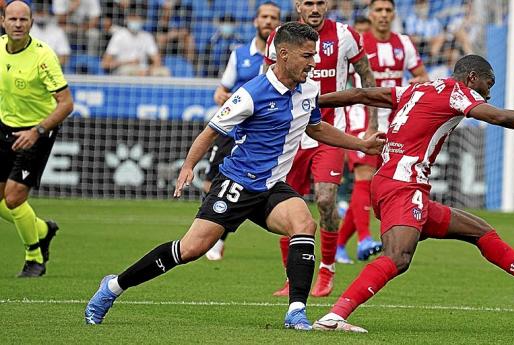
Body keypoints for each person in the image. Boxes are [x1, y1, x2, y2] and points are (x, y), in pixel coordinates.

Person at [83, 22, 386, 330]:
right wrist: (188, 166)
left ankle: (296, 312)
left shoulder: (308, 89)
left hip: (271, 188)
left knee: (304, 224)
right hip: (236, 184)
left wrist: (360, 143)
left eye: (314, 55)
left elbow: (316, 127)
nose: (314, 63)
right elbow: (211, 131)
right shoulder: (251, 94)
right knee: (190, 250)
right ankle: (112, 287)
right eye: (307, 56)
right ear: (284, 54)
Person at [310, 54, 514, 333]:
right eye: (488, 85)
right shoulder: (456, 92)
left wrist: (315, 100)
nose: (487, 95)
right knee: (398, 257)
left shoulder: (416, 89)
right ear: (473, 77)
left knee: (481, 232)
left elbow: (362, 94)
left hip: (392, 184)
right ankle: (336, 316)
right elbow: (501, 118)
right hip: (403, 185)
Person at [263, 0, 378, 298]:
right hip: (290, 135)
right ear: (297, 5)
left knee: (326, 199)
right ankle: (292, 277)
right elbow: (267, 82)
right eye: (308, 3)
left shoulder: (345, 35)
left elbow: (366, 75)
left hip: (327, 132)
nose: (315, 8)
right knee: (287, 206)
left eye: (320, 2)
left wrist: (372, 120)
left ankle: (327, 269)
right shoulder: (279, 37)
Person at [336, 0, 430, 265]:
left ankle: (341, 245)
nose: (384, 15)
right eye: (378, 10)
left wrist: (418, 82)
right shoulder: (358, 42)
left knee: (375, 187)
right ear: (371, 14)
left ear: (394, 14)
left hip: (395, 122)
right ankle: (365, 238)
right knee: (363, 176)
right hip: (360, 117)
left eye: (388, 10)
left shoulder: (404, 43)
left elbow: (422, 75)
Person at [0, 0, 74, 277]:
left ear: (31, 23)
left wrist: (37, 131)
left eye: (24, 20)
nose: (18, 24)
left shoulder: (43, 56)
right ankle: (43, 229)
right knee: (2, 200)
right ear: (3, 22)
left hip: (37, 130)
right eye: (13, 19)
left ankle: (34, 258)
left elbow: (66, 104)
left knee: (14, 198)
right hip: (5, 126)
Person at [204, 1, 281, 261]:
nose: (268, 21)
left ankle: (218, 239)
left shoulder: (282, 57)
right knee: (209, 182)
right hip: (233, 128)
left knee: (251, 182)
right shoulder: (239, 54)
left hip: (260, 134)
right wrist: (225, 97)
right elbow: (220, 90)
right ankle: (212, 229)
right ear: (255, 21)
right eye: (264, 16)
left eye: (273, 17)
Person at [101, 6, 170, 77]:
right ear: (127, 19)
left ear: (142, 21)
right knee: (129, 71)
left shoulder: (147, 37)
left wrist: (148, 70)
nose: (135, 21)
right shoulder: (119, 36)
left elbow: (157, 60)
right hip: (124, 67)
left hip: (144, 70)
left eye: (137, 18)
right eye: (132, 18)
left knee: (164, 71)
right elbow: (105, 63)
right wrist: (129, 62)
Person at [29, 1, 70, 67]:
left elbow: (64, 56)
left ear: (49, 13)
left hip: (51, 69)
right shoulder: (27, 30)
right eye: (39, 12)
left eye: (43, 12)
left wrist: (47, 66)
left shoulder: (57, 31)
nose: (41, 15)